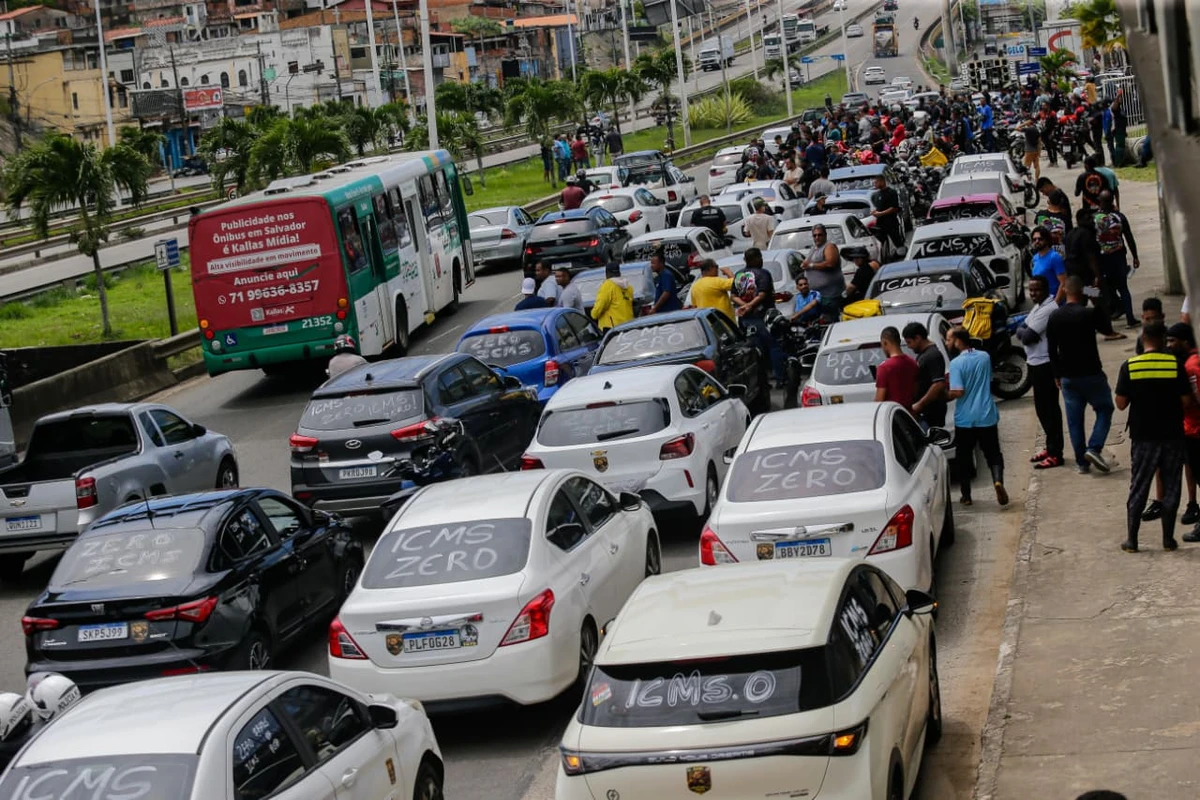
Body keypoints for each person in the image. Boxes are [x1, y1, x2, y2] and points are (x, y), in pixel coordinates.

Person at [1114, 320, 1193, 552]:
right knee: (1171, 486)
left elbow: (1120, 404)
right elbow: (1187, 401)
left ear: (1143, 338)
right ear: (1162, 339)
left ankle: (1132, 540)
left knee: (1139, 486)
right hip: (1172, 436)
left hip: (1143, 436)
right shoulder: (1175, 364)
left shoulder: (1130, 366)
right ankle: (1168, 540)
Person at [1047, 276, 1115, 474]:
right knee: (1105, 409)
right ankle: (1094, 447)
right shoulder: (1088, 314)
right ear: (1082, 292)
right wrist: (1094, 294)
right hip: (1091, 372)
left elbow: (1051, 349)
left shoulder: (1055, 316)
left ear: (1066, 291)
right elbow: (1107, 329)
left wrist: (1056, 374)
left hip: (1068, 376)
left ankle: (1081, 463)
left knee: (1074, 421)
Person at [946, 326, 1008, 506]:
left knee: (964, 457)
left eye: (949, 340)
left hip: (965, 419)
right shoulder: (984, 357)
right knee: (993, 453)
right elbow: (987, 381)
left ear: (958, 341)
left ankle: (966, 496)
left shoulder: (956, 363)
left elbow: (958, 391)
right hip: (986, 414)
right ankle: (998, 481)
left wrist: (945, 394)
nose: (947, 343)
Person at [1017, 275, 1065, 469]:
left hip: (1045, 364)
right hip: (1035, 363)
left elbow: (1027, 336)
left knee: (1049, 409)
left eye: (1036, 290)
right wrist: (1024, 332)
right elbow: (1021, 328)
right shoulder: (1038, 308)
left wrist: (1025, 333)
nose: (1032, 293)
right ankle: (1049, 446)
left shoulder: (1049, 309)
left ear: (1045, 290)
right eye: (1031, 290)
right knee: (1041, 409)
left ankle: (1056, 453)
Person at [1166, 323, 1200, 538]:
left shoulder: (1191, 367)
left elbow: (1193, 401)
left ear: (1185, 342)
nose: (1169, 345)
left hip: (1195, 430)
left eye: (1173, 341)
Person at [1094, 189, 1140, 329]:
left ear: (1100, 201)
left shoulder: (1094, 219)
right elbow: (1129, 237)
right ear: (1112, 201)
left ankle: (1109, 316)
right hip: (1119, 257)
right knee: (1123, 288)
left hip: (1103, 259)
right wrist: (1135, 256)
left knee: (1103, 289)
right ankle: (1130, 319)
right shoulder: (1120, 217)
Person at [904, 321, 948, 429]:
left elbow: (938, 384)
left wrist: (920, 404)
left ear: (918, 338)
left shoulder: (932, 355)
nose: (909, 347)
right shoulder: (923, 355)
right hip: (925, 412)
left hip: (932, 412)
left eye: (909, 342)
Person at [875, 326, 919, 412]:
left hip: (892, 417)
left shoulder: (884, 368)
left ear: (885, 342)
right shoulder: (913, 363)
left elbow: (879, 400)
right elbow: (916, 392)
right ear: (899, 341)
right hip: (910, 416)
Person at [1029, 225, 1068, 303]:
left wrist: (1055, 303)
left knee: (1093, 292)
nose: (1037, 241)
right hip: (1042, 303)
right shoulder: (1035, 258)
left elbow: (1063, 283)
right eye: (1034, 239)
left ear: (1047, 240)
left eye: (1040, 239)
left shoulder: (1054, 257)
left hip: (1054, 303)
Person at [590, 262, 634, 331]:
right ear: (619, 273)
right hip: (628, 325)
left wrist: (593, 315)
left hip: (612, 328)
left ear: (607, 273)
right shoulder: (628, 287)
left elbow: (599, 306)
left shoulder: (607, 285)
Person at [869, 174, 903, 259]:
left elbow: (894, 208)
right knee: (880, 242)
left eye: (876, 182)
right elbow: (875, 207)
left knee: (897, 241)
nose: (875, 184)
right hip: (880, 224)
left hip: (891, 223)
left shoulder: (891, 192)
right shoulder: (875, 195)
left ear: (882, 181)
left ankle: (902, 255)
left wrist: (881, 213)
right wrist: (874, 212)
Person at [1018, 113, 1042, 180]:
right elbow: (1040, 142)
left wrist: (1024, 124)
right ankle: (1037, 179)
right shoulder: (1036, 130)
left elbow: (1016, 128)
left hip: (1028, 151)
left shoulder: (1027, 130)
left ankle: (1029, 179)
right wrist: (1039, 152)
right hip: (1036, 151)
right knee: (1037, 166)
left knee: (1027, 166)